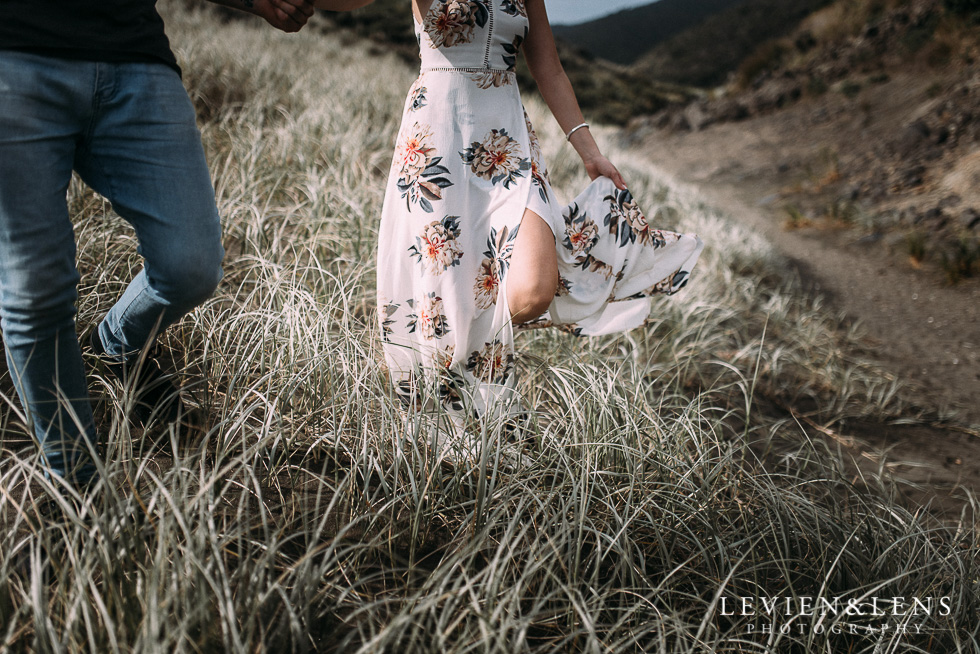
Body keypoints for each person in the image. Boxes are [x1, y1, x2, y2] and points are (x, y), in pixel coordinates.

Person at [321, 0, 705, 444]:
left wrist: (590, 151)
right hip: (438, 143)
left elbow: (549, 67)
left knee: (533, 291)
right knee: (447, 293)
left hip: (510, 146)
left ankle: (470, 387)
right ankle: (457, 410)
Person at [0, 0, 315, 491]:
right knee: (35, 290)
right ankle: (77, 489)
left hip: (135, 58)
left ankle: (118, 344)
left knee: (191, 265)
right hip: (13, 57)